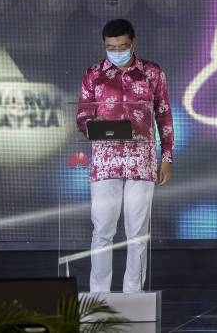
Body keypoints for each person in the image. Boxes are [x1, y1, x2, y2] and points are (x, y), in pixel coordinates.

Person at [77, 18, 174, 293]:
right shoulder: (93, 74)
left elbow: (164, 115)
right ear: (104, 45)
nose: (116, 50)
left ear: (133, 43)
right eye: (110, 46)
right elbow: (82, 116)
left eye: (121, 46)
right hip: (105, 162)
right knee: (102, 231)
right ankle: (99, 294)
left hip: (141, 161)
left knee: (137, 234)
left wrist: (167, 157)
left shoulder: (152, 73)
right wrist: (101, 129)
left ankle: (133, 294)